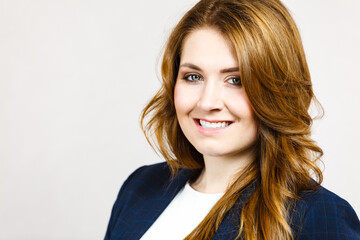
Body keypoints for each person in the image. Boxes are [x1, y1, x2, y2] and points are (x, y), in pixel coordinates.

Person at [104, 0, 360, 239]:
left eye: (235, 80)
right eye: (193, 76)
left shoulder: (318, 215)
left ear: (276, 90)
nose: (207, 102)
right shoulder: (141, 187)